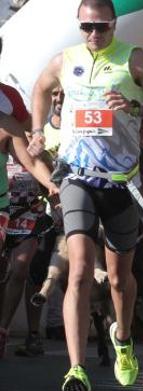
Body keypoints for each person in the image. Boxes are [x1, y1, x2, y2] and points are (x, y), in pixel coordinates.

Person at [27, 0, 143, 391]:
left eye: (101, 27)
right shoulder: (66, 59)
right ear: (79, 26)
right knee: (78, 269)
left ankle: (123, 336)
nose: (93, 34)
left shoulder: (133, 59)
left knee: (118, 279)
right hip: (77, 179)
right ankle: (75, 368)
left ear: (114, 24)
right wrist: (36, 130)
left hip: (119, 183)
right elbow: (40, 90)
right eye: (86, 27)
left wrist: (137, 106)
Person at [0, 115, 57, 359]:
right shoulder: (5, 144)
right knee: (3, 272)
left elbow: (49, 180)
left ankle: (4, 329)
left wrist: (56, 197)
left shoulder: (35, 151)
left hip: (29, 218)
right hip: (5, 213)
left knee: (21, 270)